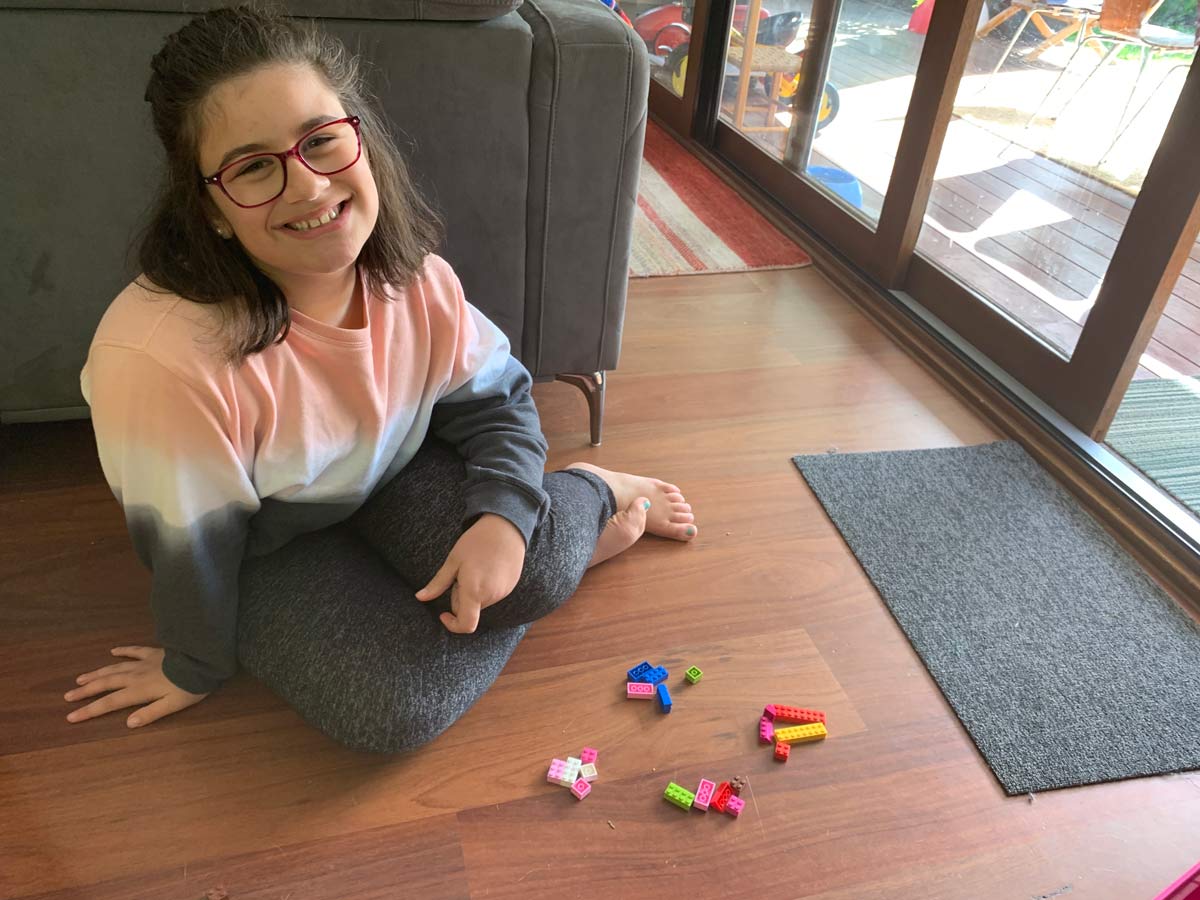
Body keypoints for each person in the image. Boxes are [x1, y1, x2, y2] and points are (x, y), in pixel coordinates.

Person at [65, 3, 698, 753]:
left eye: (322, 142)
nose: (306, 187)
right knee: (390, 713)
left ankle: (592, 485)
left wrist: (502, 518)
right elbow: (189, 544)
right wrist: (193, 665)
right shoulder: (161, 363)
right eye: (254, 167)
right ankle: (575, 533)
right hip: (270, 543)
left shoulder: (418, 280)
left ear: (360, 141)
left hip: (394, 473)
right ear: (210, 211)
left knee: (524, 562)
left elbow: (499, 407)